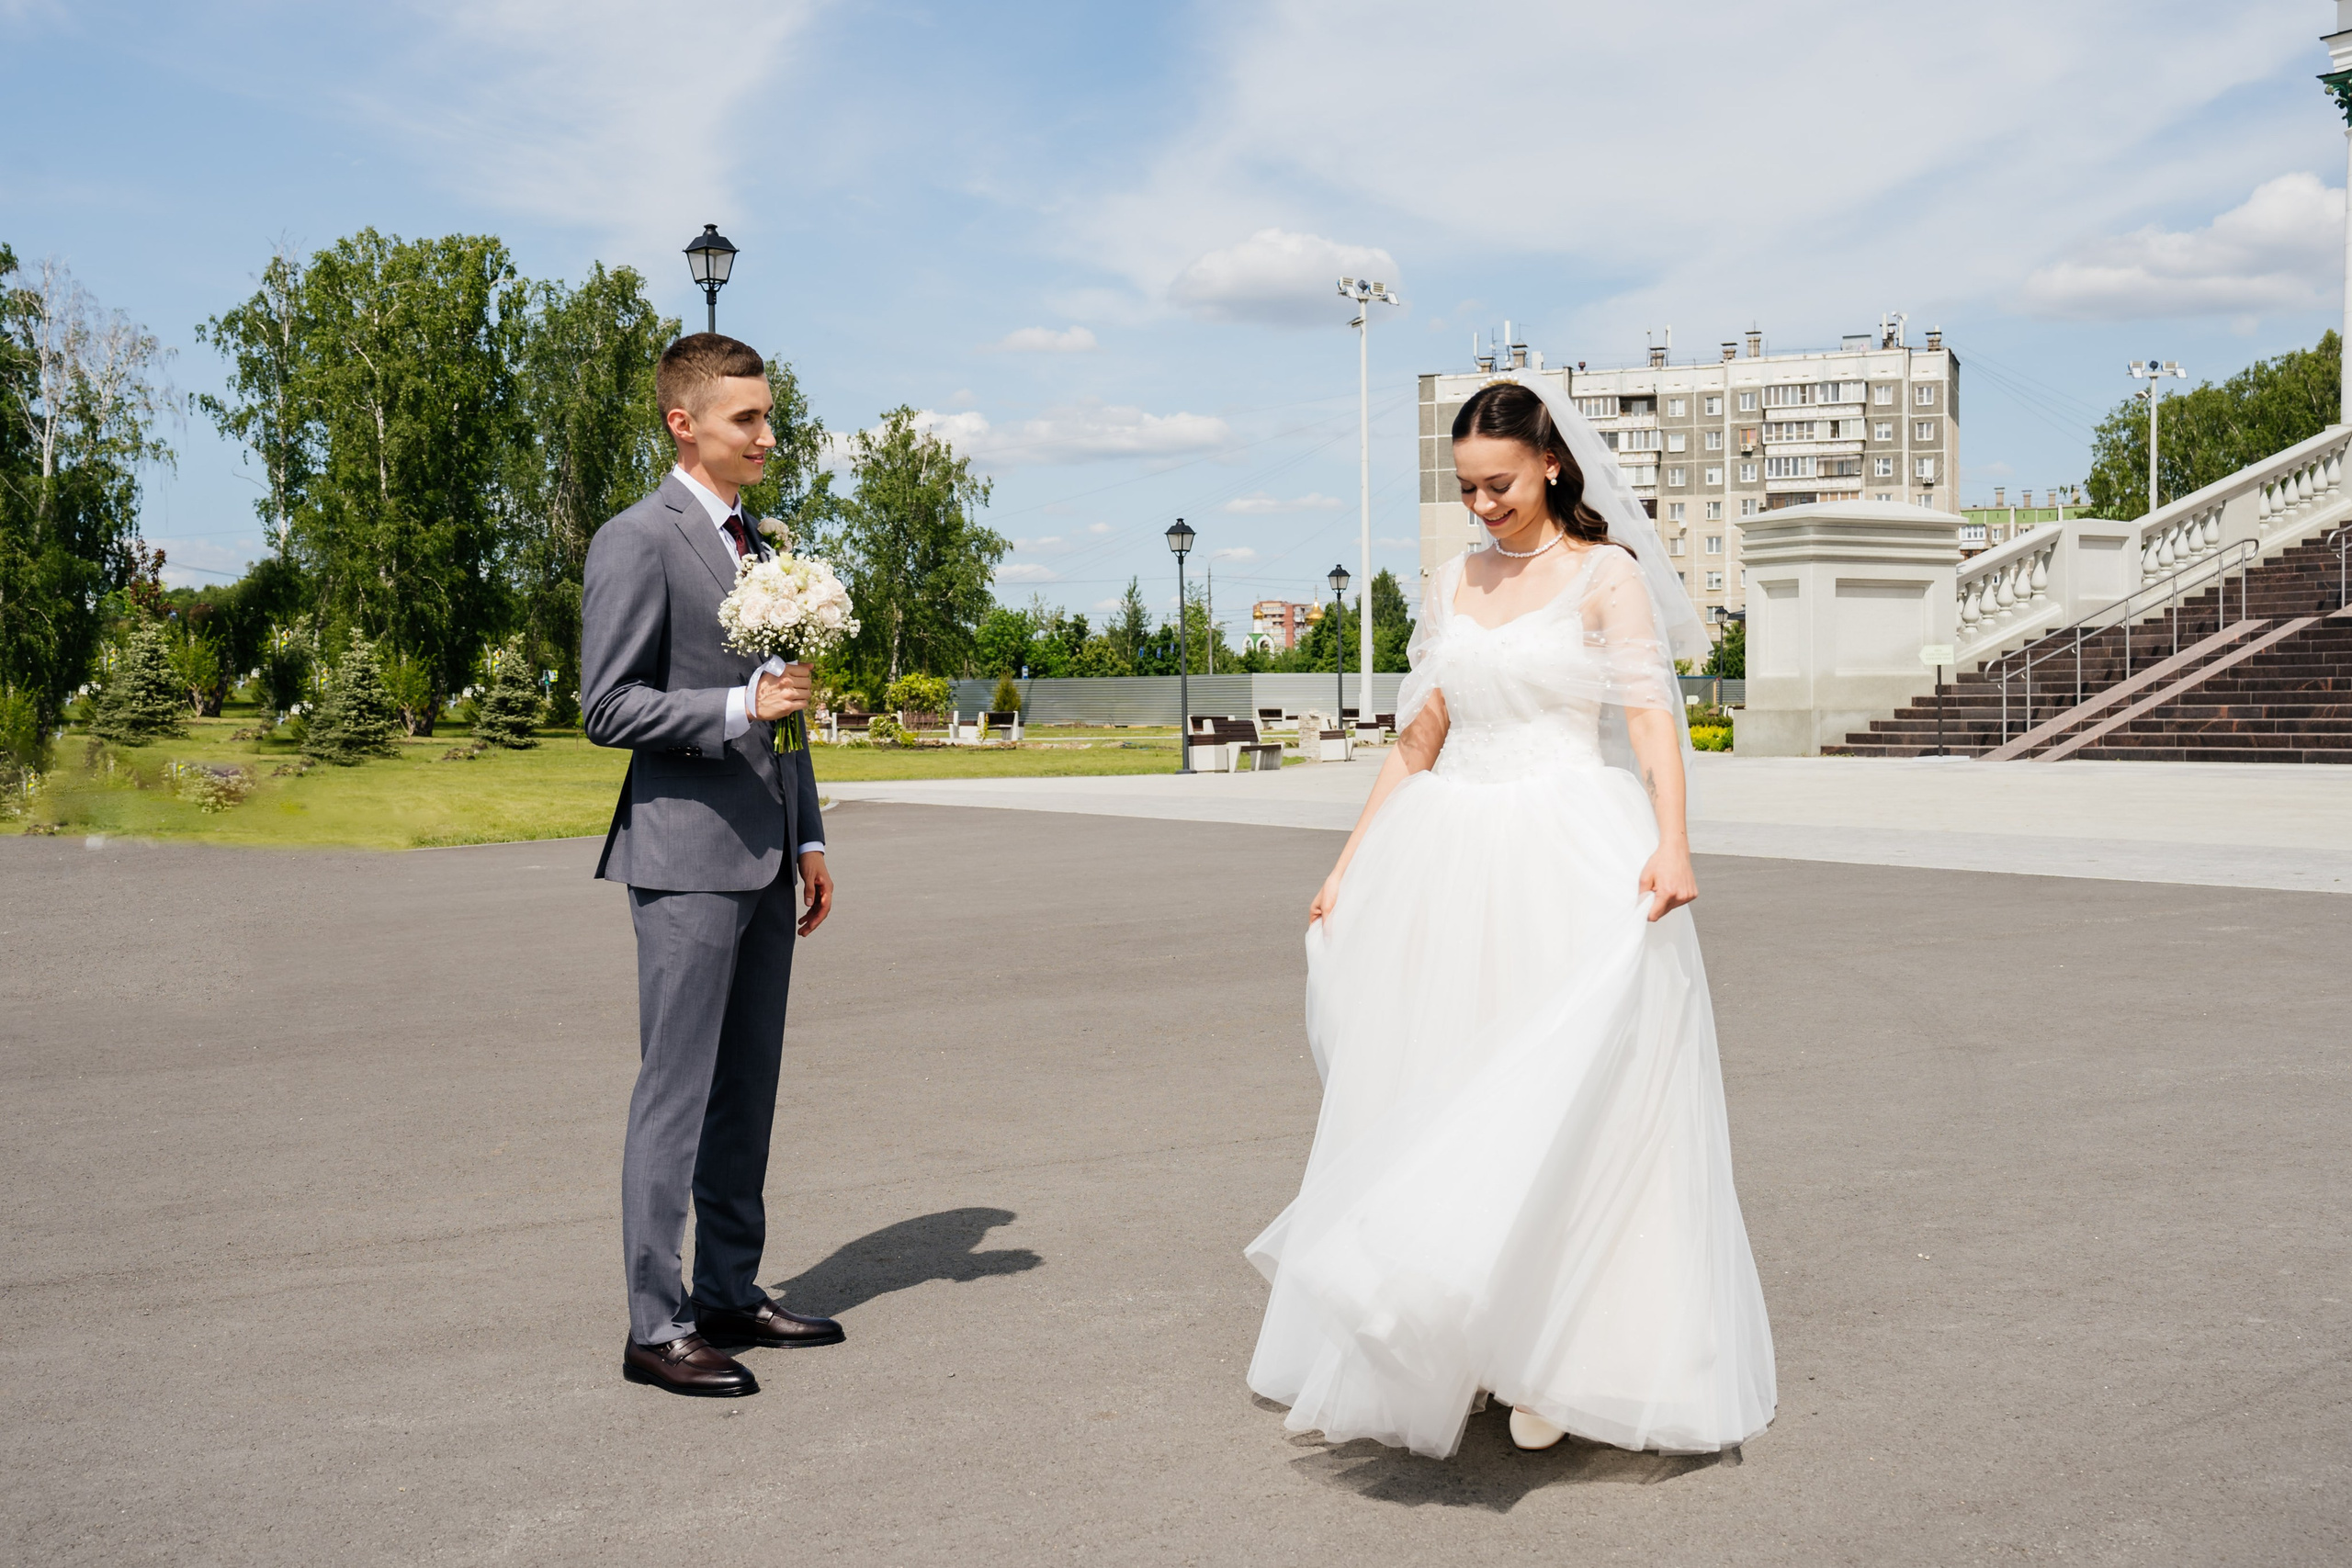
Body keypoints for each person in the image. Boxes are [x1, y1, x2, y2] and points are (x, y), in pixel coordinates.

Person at [1244, 377, 1776, 1460]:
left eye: (1499, 483)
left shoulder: (1604, 574)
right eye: (1467, 488)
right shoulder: (1451, 581)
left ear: (1550, 464)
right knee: (1450, 1086)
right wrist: (1348, 864)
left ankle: (1567, 1355)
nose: (1483, 504)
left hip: (1569, 846)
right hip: (1448, 856)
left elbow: (1649, 719)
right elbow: (1417, 739)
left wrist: (1674, 842)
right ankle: (1474, 1340)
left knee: (1575, 1096)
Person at [581, 333, 841, 1399]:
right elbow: (608, 706)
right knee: (676, 1093)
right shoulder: (636, 539)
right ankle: (656, 1326)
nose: (768, 436)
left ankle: (728, 1290)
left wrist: (808, 835)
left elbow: (787, 702)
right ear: (683, 424)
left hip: (769, 854)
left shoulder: (763, 543)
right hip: (684, 854)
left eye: (769, 416)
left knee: (746, 1091)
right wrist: (739, 705)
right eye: (749, 419)